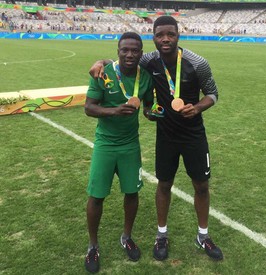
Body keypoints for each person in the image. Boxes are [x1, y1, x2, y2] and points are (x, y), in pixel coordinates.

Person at [89, 16, 223, 262]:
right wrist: (102, 61)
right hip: (166, 136)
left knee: (201, 186)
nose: (165, 39)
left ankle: (203, 235)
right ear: (153, 36)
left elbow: (213, 93)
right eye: (160, 35)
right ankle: (161, 235)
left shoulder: (197, 63)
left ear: (178, 35)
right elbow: (124, 60)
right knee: (164, 185)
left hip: (194, 134)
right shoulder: (150, 60)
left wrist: (199, 107)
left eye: (170, 34)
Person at [84, 32, 154, 273]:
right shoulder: (103, 73)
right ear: (118, 51)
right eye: (125, 49)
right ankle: (93, 246)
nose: (130, 54)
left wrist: (152, 113)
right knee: (97, 195)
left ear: (141, 53)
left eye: (135, 50)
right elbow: (89, 108)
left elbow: (147, 107)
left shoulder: (145, 78)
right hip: (105, 144)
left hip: (130, 145)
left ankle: (127, 236)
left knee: (132, 193)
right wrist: (114, 111)